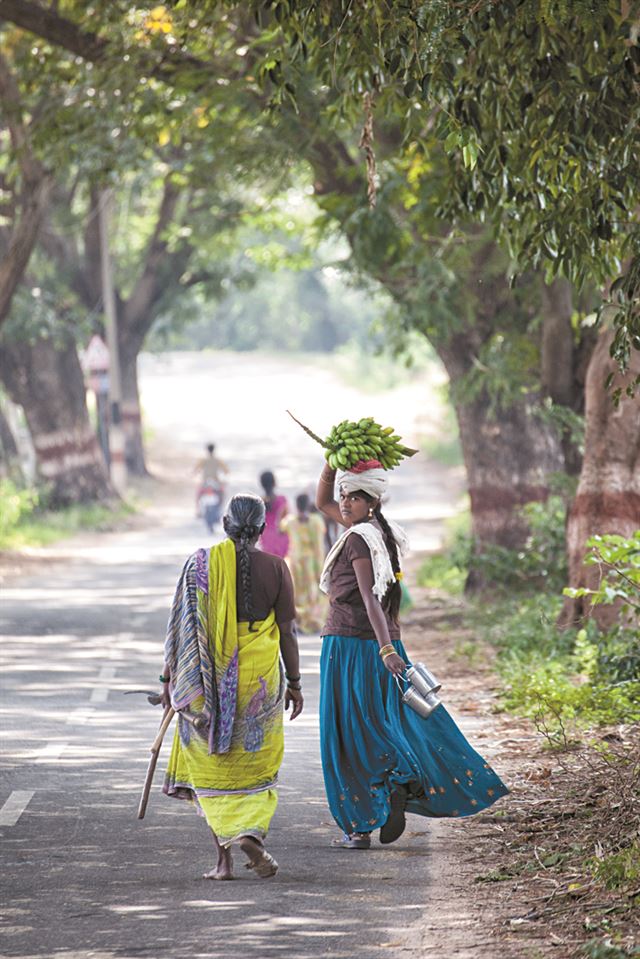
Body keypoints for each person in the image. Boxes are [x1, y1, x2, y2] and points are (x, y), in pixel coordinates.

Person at [316, 459, 508, 849]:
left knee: (349, 734)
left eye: (353, 496)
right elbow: (322, 501)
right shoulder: (379, 533)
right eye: (344, 495)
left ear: (371, 501)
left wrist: (386, 648)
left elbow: (370, 597)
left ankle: (363, 821)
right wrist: (329, 462)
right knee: (382, 722)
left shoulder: (358, 539)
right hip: (380, 644)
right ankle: (393, 787)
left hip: (355, 647)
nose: (344, 502)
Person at [161, 494, 304, 879]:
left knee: (211, 768)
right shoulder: (276, 567)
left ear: (225, 525)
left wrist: (169, 680)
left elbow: (183, 631)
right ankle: (250, 834)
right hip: (259, 682)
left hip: (207, 682)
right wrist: (295, 683)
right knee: (255, 765)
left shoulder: (200, 566)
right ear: (262, 529)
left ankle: (223, 861)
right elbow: (288, 630)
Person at [285, 493, 327, 634]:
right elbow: (319, 547)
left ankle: (298, 621)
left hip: (295, 561)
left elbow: (280, 527)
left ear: (296, 505)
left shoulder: (291, 521)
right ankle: (311, 621)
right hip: (310, 562)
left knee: (296, 593)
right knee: (312, 593)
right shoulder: (316, 521)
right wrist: (321, 568)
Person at [258, 470, 289, 558]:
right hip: (281, 539)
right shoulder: (282, 500)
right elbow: (287, 520)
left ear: (262, 484)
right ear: (275, 483)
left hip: (266, 539)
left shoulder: (259, 502)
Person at [195, 443, 228, 516]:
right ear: (214, 450)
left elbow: (196, 470)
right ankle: (222, 510)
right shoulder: (218, 460)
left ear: (207, 450)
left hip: (205, 481)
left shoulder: (203, 460)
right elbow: (226, 471)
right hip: (215, 481)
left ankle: (198, 511)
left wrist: (196, 473)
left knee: (198, 494)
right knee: (222, 493)